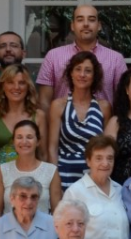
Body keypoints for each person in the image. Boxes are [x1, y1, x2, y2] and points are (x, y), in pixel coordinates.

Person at [36, 4, 128, 113]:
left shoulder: (116, 59)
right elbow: (44, 102)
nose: (85, 24)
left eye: (91, 20)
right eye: (80, 20)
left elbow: (123, 101)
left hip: (104, 127)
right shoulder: (53, 56)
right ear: (72, 26)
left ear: (99, 26)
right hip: (61, 127)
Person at [47, 51, 109, 190]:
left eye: (88, 71)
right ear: (71, 73)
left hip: (94, 175)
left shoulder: (103, 107)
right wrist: (54, 178)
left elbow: (106, 147)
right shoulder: (58, 105)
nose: (82, 75)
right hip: (64, 175)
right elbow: (52, 147)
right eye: (78, 69)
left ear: (94, 76)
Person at [0, 64, 46, 175]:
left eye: (21, 83)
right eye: (10, 82)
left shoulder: (39, 116)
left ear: (28, 87)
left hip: (30, 180)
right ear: (2, 87)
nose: (16, 87)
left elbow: (43, 155)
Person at [0, 120, 59, 216]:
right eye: (19, 137)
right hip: (9, 229)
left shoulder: (51, 171)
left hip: (43, 229)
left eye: (29, 137)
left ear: (38, 141)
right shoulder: (2, 170)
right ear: (13, 142)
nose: (24, 141)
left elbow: (57, 211)